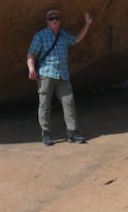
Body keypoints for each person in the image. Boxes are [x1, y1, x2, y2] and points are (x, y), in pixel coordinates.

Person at [27, 9, 93, 146]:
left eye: (57, 18)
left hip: (63, 75)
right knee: (45, 105)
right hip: (46, 74)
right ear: (47, 21)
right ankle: (46, 134)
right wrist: (31, 69)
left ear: (60, 20)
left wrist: (87, 25)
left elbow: (77, 39)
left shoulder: (63, 35)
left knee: (69, 103)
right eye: (51, 19)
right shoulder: (41, 35)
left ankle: (73, 133)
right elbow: (31, 54)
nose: (54, 20)